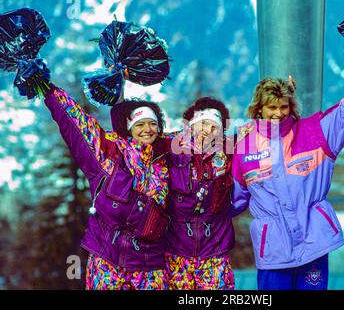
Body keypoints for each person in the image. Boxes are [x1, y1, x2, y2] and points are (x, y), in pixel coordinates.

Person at [230, 53, 344, 290]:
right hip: (273, 252)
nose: (278, 113)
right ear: (259, 109)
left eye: (284, 106)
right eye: (271, 108)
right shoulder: (244, 149)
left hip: (314, 245)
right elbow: (232, 200)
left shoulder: (315, 132)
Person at [18, 64, 171, 290]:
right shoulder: (108, 155)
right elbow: (77, 123)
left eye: (152, 124)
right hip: (108, 260)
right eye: (140, 124)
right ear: (129, 128)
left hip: (150, 264)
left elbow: (202, 136)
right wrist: (48, 89)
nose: (147, 129)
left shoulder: (166, 160)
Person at [164, 97, 235, 290]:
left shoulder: (229, 149)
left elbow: (263, 131)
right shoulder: (170, 146)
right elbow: (133, 140)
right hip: (176, 249)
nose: (208, 131)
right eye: (203, 124)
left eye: (215, 127)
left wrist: (286, 93)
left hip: (215, 249)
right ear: (192, 125)